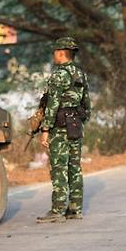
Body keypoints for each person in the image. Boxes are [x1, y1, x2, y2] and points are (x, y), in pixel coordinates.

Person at [36, 37, 91, 223]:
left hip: (59, 127)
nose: (54, 56)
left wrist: (45, 129)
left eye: (54, 52)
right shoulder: (80, 74)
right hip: (75, 125)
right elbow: (87, 104)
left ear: (60, 53)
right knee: (74, 167)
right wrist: (82, 121)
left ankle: (58, 210)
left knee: (59, 168)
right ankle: (75, 209)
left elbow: (52, 105)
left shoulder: (59, 75)